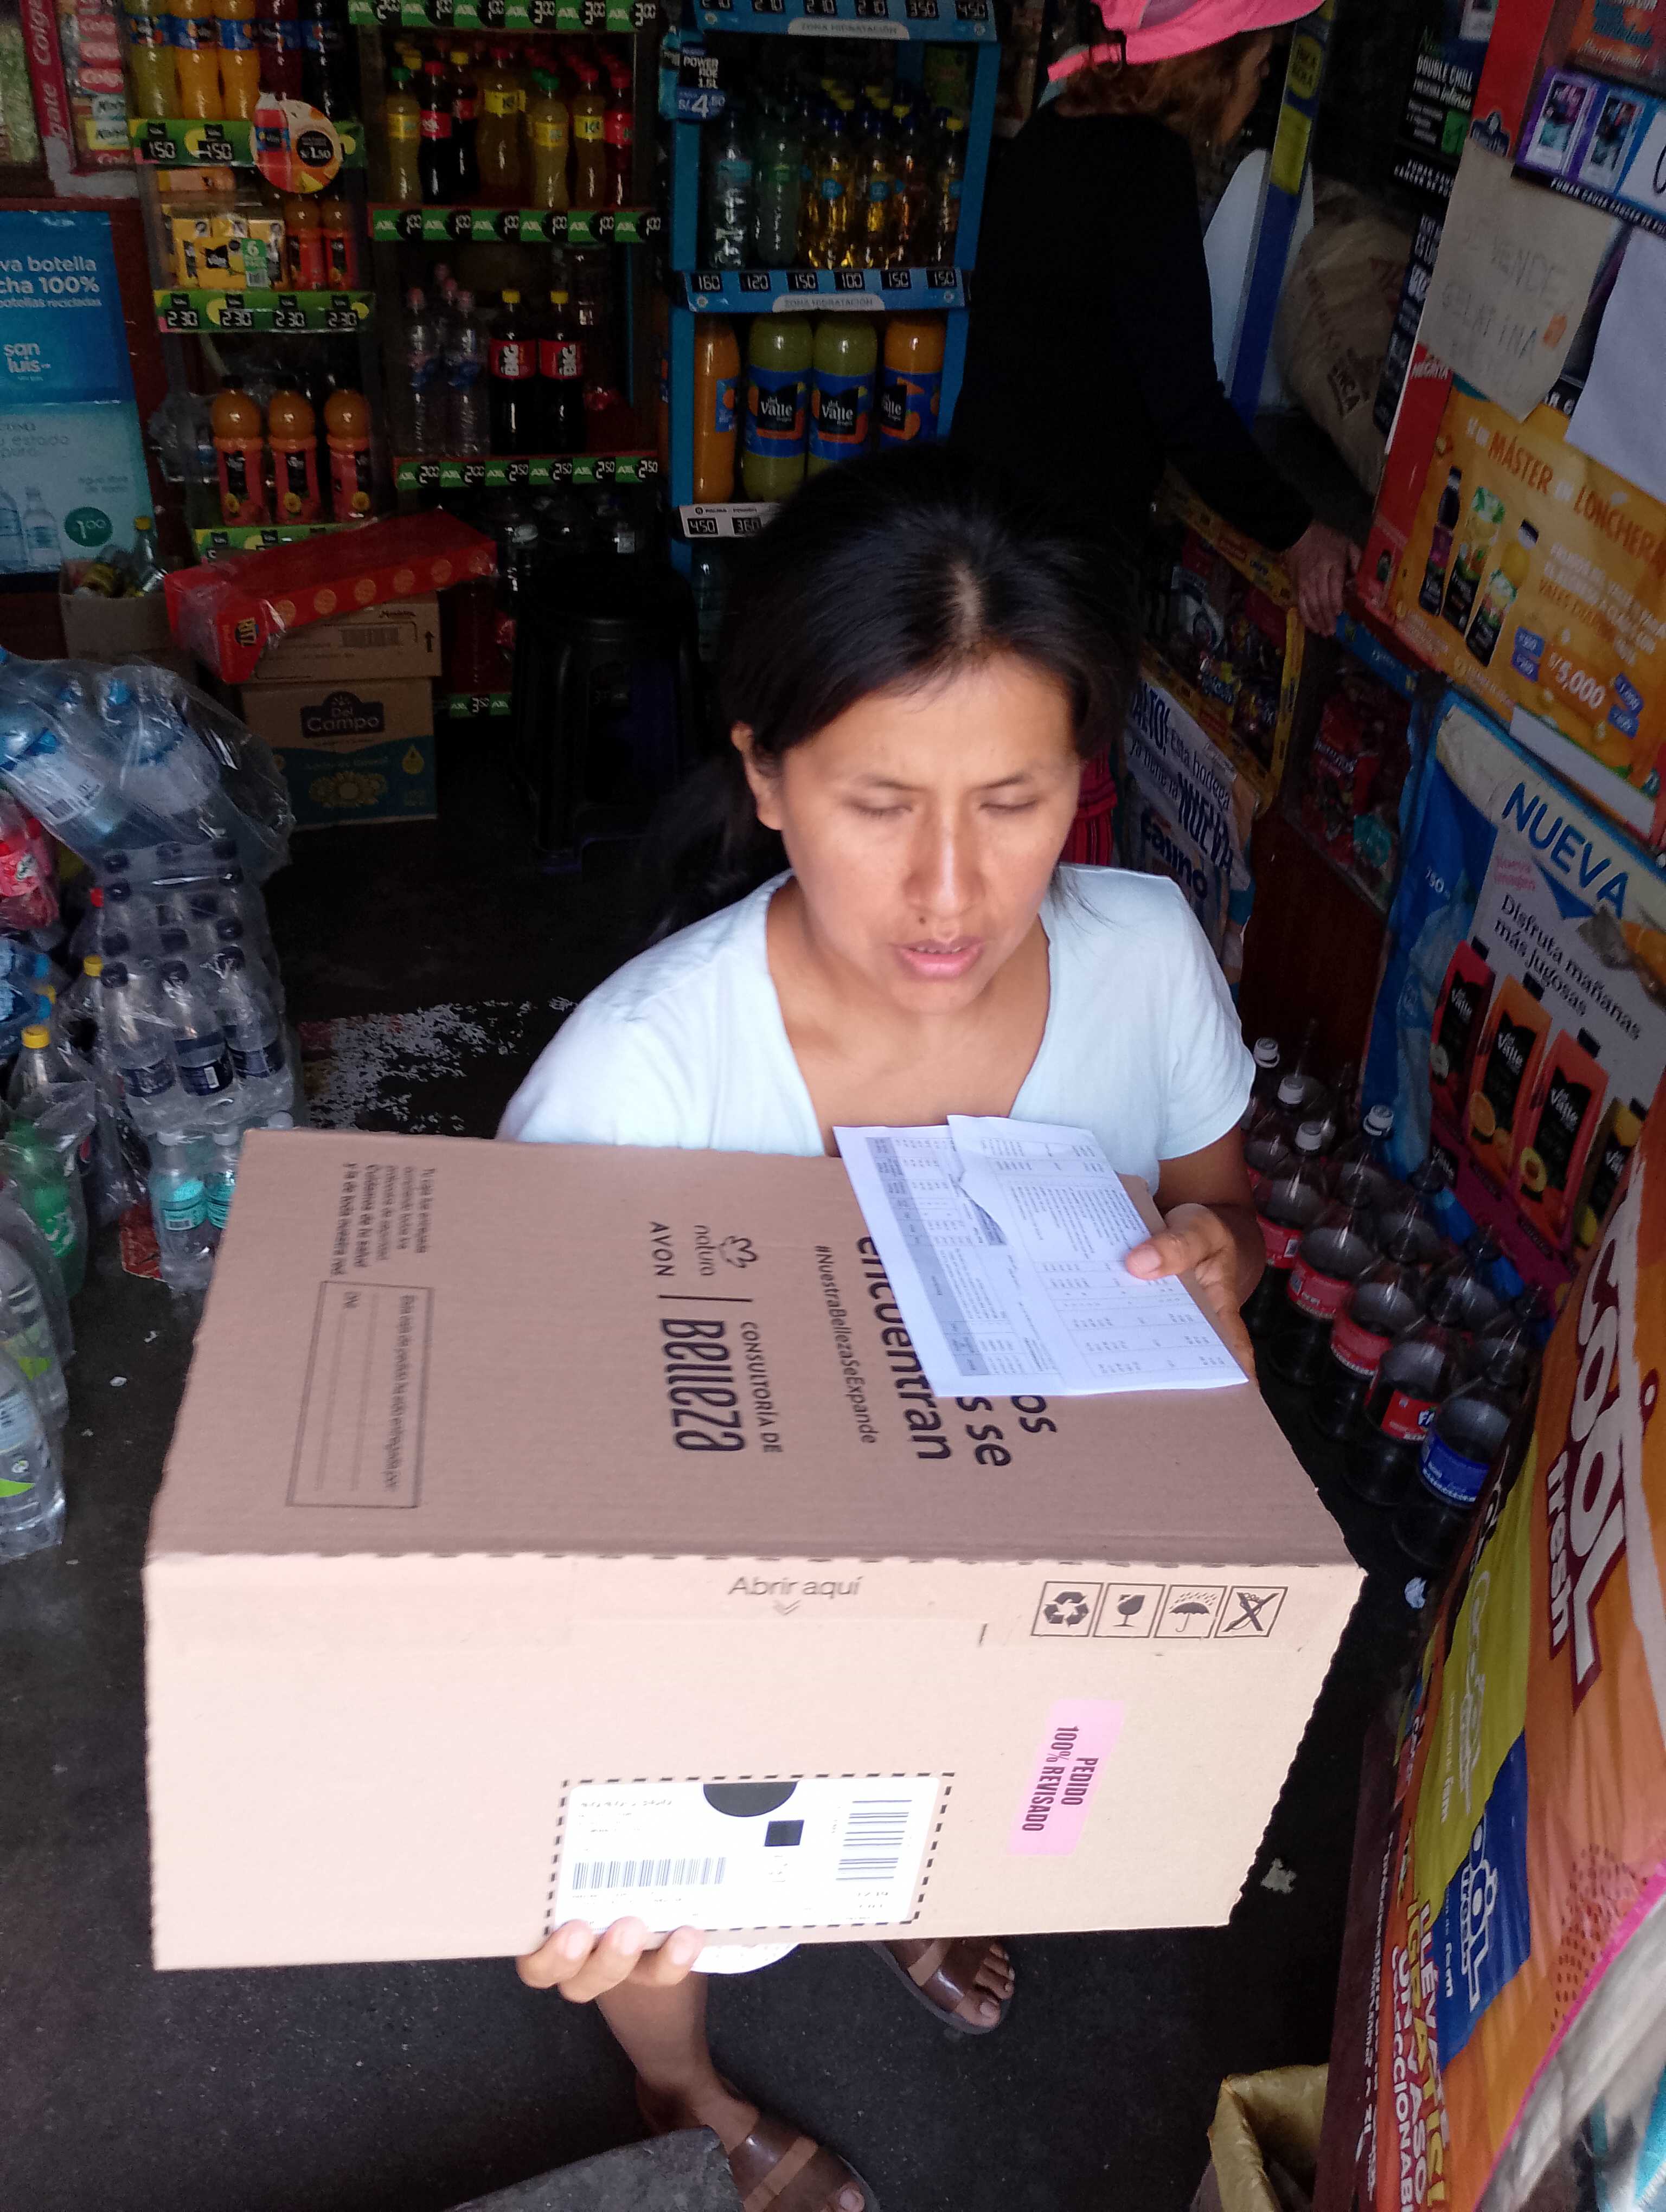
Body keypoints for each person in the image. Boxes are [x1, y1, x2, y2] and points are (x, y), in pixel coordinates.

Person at [498, 449, 1261, 2212]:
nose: (949, 889)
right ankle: (683, 2087)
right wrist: (550, 1776)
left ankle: (909, 1889)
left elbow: (1217, 1201)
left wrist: (1216, 1261)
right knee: (658, 1908)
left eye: (1015, 801)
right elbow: (528, 1494)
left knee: (970, 1769)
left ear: (1083, 780)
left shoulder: (1144, 953)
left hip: (1013, 1543)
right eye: (877, 804)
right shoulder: (637, 1087)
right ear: (766, 778)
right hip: (728, 1600)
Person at [951, 0, 1357, 635]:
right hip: (1053, 564)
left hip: (985, 522)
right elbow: (1186, 406)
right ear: (1213, 69)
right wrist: (1299, 533)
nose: (1260, 87)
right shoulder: (1146, 168)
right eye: (1260, 65)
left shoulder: (1054, 127)